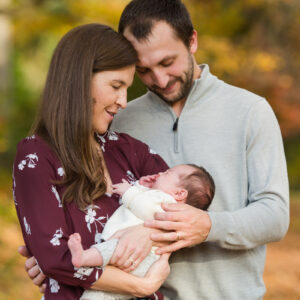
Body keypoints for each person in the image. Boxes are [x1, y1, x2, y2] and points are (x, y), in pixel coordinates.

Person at [21, 0, 290, 299]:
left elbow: (275, 215)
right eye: (144, 70)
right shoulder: (119, 120)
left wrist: (206, 226)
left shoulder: (250, 111)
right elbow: (99, 214)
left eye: (167, 62)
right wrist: (57, 259)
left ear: (192, 41)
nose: (159, 80)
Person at [13, 23, 172, 300]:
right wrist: (142, 286)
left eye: (126, 88)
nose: (123, 101)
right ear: (79, 79)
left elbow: (184, 208)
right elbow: (56, 260)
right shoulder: (35, 157)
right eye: (115, 86)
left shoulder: (128, 150)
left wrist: (146, 232)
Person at [68, 164, 215, 300]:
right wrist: (141, 185)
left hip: (134, 252)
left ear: (180, 193)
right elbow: (139, 203)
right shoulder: (156, 197)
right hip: (140, 264)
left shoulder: (167, 203)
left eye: (167, 173)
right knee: (107, 293)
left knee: (110, 250)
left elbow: (147, 209)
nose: (160, 173)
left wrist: (129, 191)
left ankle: (84, 258)